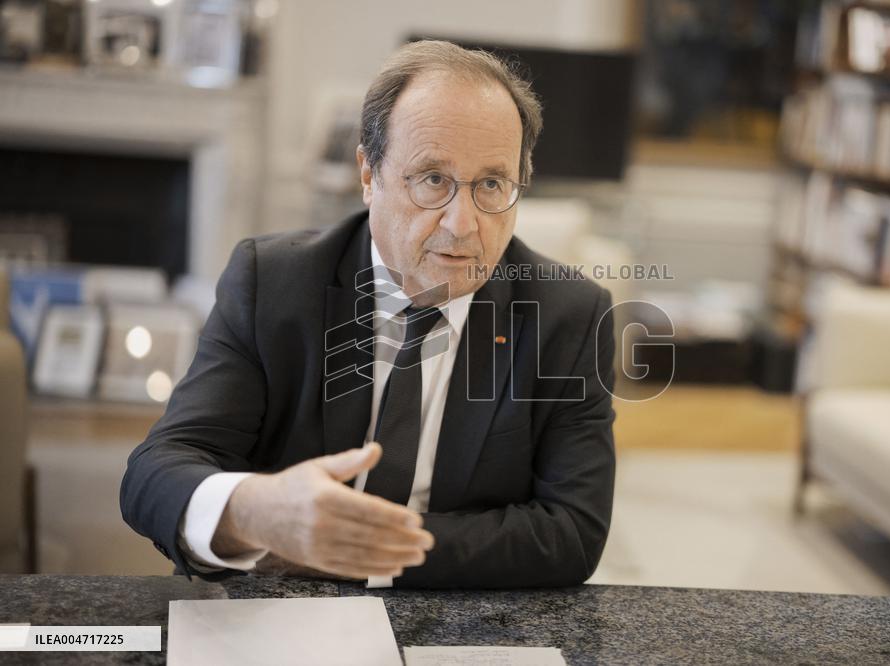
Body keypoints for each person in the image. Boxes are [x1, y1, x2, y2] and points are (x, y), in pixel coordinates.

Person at [120, 40, 616, 589]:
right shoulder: (274, 283)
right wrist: (256, 512)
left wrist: (352, 553)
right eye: (432, 179)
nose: (463, 223)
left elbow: (572, 532)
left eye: (492, 184)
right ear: (368, 172)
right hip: (268, 616)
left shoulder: (569, 316)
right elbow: (157, 471)